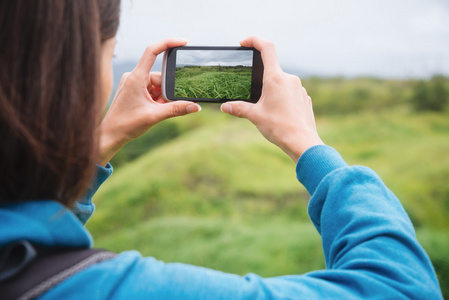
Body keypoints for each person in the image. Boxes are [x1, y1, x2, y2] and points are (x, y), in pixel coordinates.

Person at [0, 0, 443, 299]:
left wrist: (98, 147)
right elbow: (402, 287)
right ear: (65, 69)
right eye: (109, 54)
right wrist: (310, 146)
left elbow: (31, 238)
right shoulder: (106, 288)